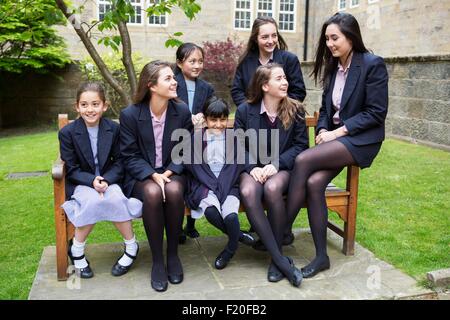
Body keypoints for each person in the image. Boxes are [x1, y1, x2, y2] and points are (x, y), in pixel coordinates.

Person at [285, 12, 389, 279]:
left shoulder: (372, 64)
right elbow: (325, 108)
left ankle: (280, 230)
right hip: (337, 138)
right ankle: (321, 257)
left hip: (362, 139)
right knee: (313, 183)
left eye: (335, 38)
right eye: (327, 38)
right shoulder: (334, 67)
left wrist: (337, 133)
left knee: (303, 160)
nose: (330, 44)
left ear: (351, 37)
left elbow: (376, 112)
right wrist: (321, 129)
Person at [120, 61, 193, 292]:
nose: (175, 82)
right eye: (169, 78)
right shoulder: (131, 115)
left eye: (174, 77)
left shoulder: (181, 111)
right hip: (141, 176)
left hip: (174, 171)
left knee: (172, 190)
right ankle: (158, 261)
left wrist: (168, 173)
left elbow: (186, 148)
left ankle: (172, 255)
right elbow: (129, 155)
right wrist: (153, 175)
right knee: (152, 193)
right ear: (152, 85)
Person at [234, 63, 308, 287]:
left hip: (283, 169)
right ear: (265, 86)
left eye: (285, 77)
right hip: (253, 168)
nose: (285, 82)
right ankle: (280, 260)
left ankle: (275, 259)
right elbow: (237, 145)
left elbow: (301, 146)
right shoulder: (246, 111)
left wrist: (276, 164)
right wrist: (251, 166)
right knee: (248, 190)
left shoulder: (295, 109)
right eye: (279, 78)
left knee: (273, 188)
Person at [59, 82, 141, 279]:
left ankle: (131, 246)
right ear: (77, 107)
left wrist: (106, 180)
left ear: (104, 105)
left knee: (115, 198)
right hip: (82, 181)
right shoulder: (68, 133)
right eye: (85, 105)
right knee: (92, 200)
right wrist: (92, 181)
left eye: (95, 104)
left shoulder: (113, 129)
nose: (90, 109)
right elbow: (70, 167)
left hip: (109, 179)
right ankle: (77, 250)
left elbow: (121, 160)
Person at [184, 97, 255, 270]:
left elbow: (235, 166)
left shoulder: (233, 138)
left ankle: (231, 248)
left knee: (231, 215)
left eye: (222, 119)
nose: (218, 124)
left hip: (229, 184)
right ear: (206, 119)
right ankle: (239, 236)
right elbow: (194, 167)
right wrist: (213, 186)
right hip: (204, 185)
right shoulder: (196, 139)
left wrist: (222, 186)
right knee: (211, 212)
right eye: (213, 120)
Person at [175, 42, 215, 243]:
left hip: (199, 139)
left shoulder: (206, 87)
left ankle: (190, 224)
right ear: (180, 63)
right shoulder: (172, 83)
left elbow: (213, 109)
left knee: (196, 179)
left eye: (200, 61)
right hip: (176, 140)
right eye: (192, 61)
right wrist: (187, 117)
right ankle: (177, 225)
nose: (197, 65)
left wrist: (203, 115)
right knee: (181, 179)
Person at [231, 16, 306, 108]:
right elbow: (237, 91)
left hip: (281, 117)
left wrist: (275, 110)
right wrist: (250, 111)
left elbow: (298, 92)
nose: (271, 41)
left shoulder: (290, 60)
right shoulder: (245, 61)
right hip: (252, 119)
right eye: (265, 37)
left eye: (274, 35)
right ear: (255, 39)